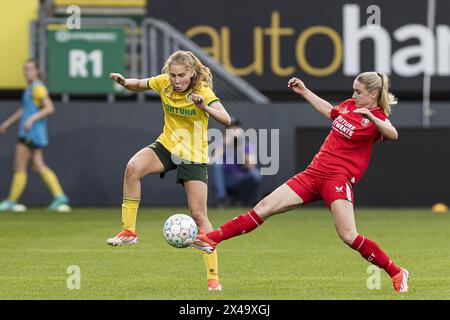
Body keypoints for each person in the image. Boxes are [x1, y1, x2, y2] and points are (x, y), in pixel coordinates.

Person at [195, 72, 410, 293]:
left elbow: (393, 134)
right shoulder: (349, 106)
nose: (353, 95)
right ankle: (212, 239)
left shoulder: (376, 117)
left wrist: (374, 118)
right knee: (264, 207)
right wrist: (304, 91)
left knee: (348, 235)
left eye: (358, 91)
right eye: (354, 90)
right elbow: (329, 111)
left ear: (373, 94)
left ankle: (396, 272)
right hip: (312, 174)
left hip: (337, 180)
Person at [107, 50, 231, 291]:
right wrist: (125, 82)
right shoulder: (164, 83)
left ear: (192, 73)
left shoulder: (202, 91)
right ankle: (129, 231)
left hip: (193, 155)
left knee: (198, 216)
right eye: (172, 75)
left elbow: (225, 119)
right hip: (167, 145)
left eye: (181, 75)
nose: (176, 80)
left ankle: (213, 278)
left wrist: (205, 107)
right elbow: (141, 84)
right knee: (133, 168)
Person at [0, 59, 70, 212]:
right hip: (34, 133)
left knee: (19, 165)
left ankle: (11, 201)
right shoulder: (31, 88)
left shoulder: (37, 87)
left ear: (37, 71)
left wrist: (32, 119)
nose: (27, 72)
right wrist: (7, 123)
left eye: (30, 69)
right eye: (25, 69)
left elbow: (49, 107)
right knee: (38, 165)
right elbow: (23, 110)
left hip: (30, 133)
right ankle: (60, 196)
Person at [210, 116, 262, 207]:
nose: (233, 131)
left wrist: (240, 147)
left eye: (236, 128)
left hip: (241, 178)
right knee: (216, 164)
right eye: (230, 129)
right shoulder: (222, 144)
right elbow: (213, 160)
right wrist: (225, 145)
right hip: (227, 179)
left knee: (256, 174)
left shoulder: (246, 146)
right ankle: (222, 200)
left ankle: (247, 200)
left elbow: (251, 167)